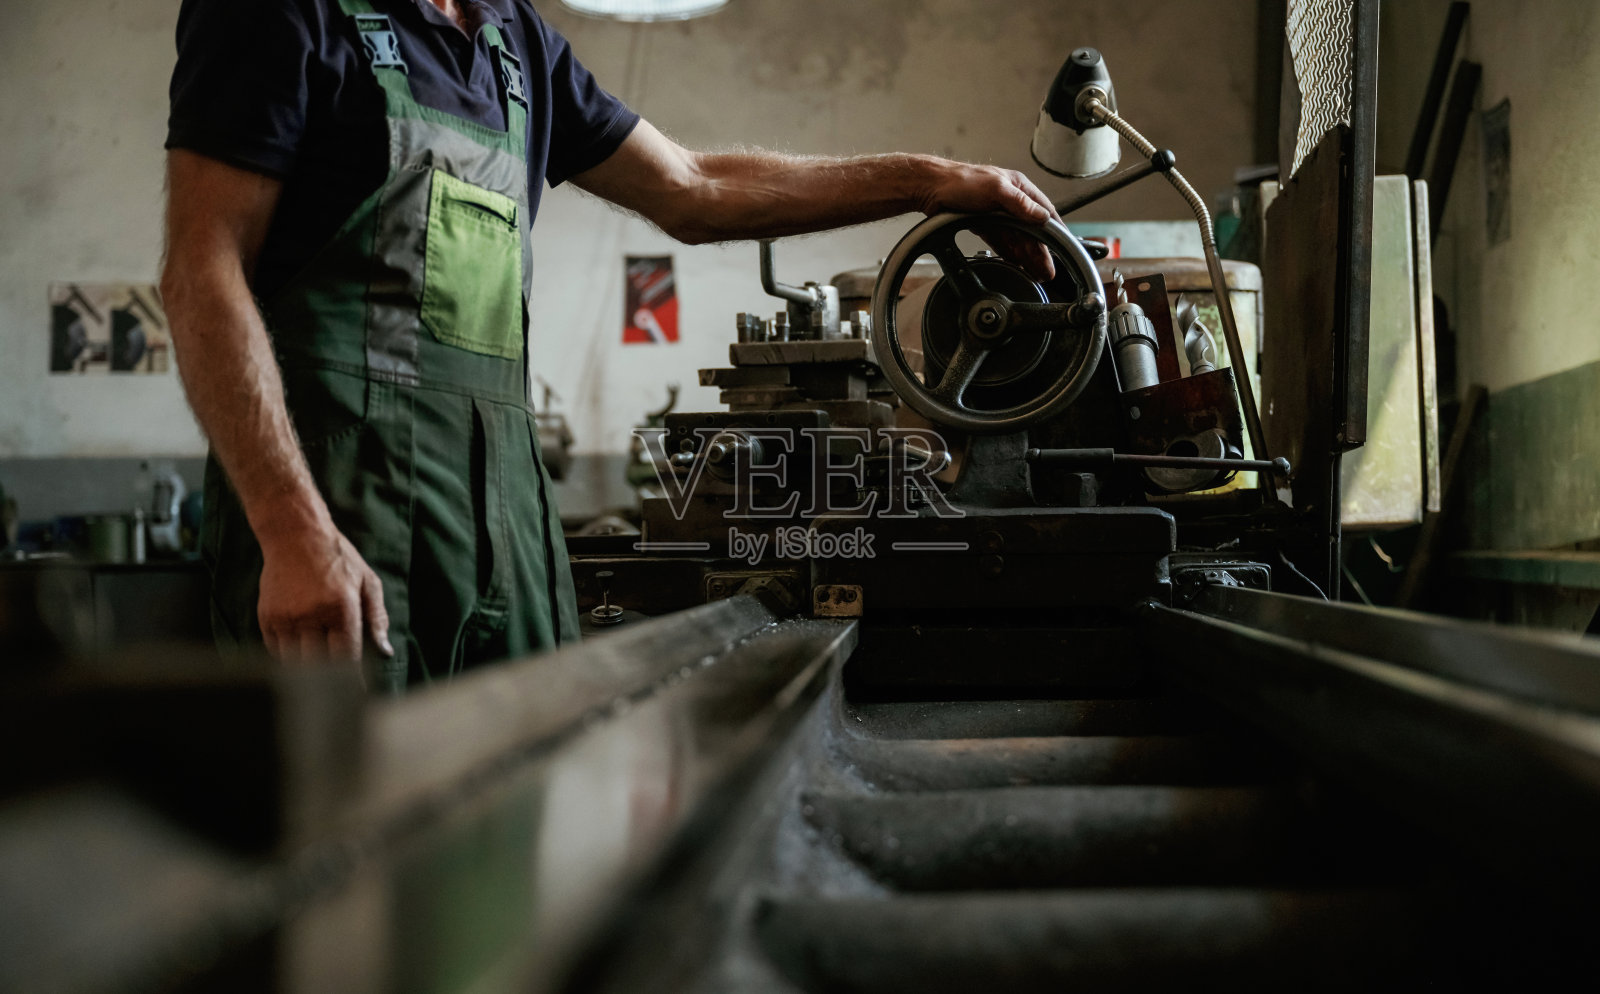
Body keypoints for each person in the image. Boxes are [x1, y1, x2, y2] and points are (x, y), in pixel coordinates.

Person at [161, 0, 1060, 692]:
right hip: (341, 520)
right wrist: (291, 531)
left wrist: (937, 182)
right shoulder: (281, 10)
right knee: (348, 855)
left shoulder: (516, 42)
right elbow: (201, 271)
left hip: (505, 522)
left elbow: (695, 188)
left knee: (516, 830)